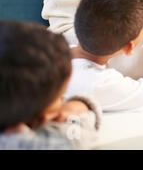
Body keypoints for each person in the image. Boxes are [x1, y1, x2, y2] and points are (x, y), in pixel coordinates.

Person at [0, 21, 102, 150]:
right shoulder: (46, 143)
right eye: (60, 96)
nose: (63, 99)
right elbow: (81, 134)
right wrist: (81, 104)